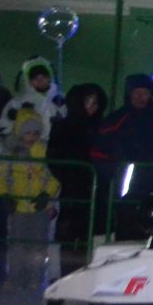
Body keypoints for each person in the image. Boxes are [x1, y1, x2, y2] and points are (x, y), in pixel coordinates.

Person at [91, 73, 153, 240]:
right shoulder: (116, 120)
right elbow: (98, 152)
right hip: (127, 190)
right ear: (129, 94)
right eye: (136, 93)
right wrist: (115, 172)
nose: (141, 97)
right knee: (128, 232)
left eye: (144, 93)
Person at [0, 109, 60, 290]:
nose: (31, 137)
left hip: (40, 207)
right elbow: (0, 176)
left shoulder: (45, 151)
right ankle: (15, 277)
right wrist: (5, 195)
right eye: (27, 133)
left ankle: (35, 278)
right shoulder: (11, 153)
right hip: (18, 207)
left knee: (37, 246)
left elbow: (54, 175)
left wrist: (47, 193)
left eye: (35, 133)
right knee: (17, 244)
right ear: (19, 133)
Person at [45, 82, 105, 268]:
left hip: (94, 191)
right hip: (71, 191)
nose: (91, 108)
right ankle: (65, 278)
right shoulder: (64, 127)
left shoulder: (101, 128)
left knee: (89, 239)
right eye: (87, 102)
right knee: (69, 238)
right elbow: (54, 158)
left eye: (95, 103)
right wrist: (70, 177)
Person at [0, 57, 65, 151]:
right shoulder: (18, 103)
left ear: (50, 78)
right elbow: (3, 130)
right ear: (29, 81)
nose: (40, 80)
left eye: (43, 77)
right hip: (25, 154)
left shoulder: (62, 102)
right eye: (35, 78)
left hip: (55, 154)